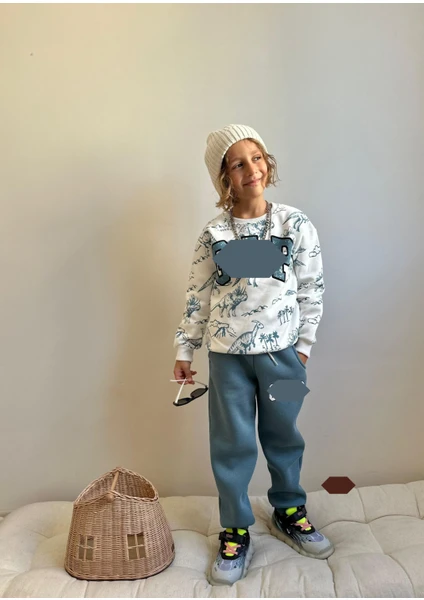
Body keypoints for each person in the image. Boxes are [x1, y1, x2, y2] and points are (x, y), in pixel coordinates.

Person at [172, 124, 334, 586]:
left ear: (267, 162)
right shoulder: (214, 234)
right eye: (238, 163)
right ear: (224, 177)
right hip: (227, 358)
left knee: (285, 436)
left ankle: (289, 511)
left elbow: (312, 288)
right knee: (232, 443)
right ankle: (235, 528)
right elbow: (197, 296)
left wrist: (303, 349)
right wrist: (185, 349)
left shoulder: (294, 224)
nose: (251, 169)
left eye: (257, 157)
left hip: (285, 358)